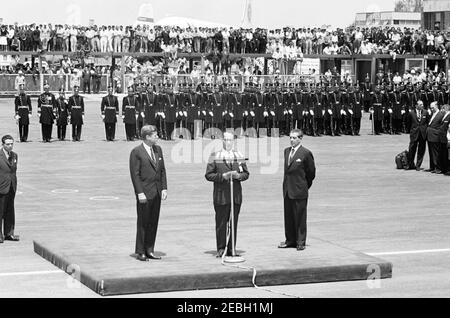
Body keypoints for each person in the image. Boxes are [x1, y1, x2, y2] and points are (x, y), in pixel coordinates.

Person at [205, 132, 250, 258]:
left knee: (233, 222)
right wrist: (222, 177)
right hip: (221, 196)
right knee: (221, 223)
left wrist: (238, 176)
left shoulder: (239, 155)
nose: (227, 142)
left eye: (230, 140)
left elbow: (246, 174)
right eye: (225, 139)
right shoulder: (214, 155)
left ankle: (232, 248)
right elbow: (208, 175)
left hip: (235, 195)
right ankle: (221, 248)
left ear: (233, 141)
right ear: (222, 141)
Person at [129, 125, 168, 261]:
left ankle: (150, 249)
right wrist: (139, 192)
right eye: (155, 135)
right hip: (145, 192)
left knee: (153, 222)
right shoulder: (137, 152)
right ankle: (140, 251)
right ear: (147, 137)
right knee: (143, 222)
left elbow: (162, 170)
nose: (157, 137)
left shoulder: (158, 150)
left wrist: (164, 188)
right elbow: (135, 175)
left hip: (156, 191)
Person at [279, 129, 316, 251]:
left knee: (300, 217)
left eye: (294, 138)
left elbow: (311, 173)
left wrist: (304, 185)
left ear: (300, 138)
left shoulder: (306, 153)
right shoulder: (286, 151)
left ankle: (300, 241)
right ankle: (290, 240)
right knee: (288, 216)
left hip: (299, 190)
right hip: (288, 190)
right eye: (290, 137)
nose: (291, 140)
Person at [0, 135, 20, 243]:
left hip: (11, 187)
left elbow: (13, 171)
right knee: (0, 211)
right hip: (1, 187)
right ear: (3, 144)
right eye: (8, 144)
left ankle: (9, 233)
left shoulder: (15, 155)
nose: (10, 146)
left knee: (10, 211)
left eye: (12, 144)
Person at [407, 100, 429, 171]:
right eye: (421, 104)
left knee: (421, 150)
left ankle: (418, 165)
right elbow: (408, 123)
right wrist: (411, 131)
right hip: (414, 133)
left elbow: (428, 122)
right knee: (412, 149)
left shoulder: (425, 112)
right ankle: (411, 164)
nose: (422, 106)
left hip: (422, 134)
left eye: (422, 104)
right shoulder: (411, 113)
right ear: (416, 105)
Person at [426, 102, 444, 173]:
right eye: (431, 107)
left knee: (436, 153)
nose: (431, 109)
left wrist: (437, 132)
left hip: (435, 136)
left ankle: (438, 167)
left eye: (433, 107)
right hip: (430, 135)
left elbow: (441, 126)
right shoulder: (432, 114)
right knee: (431, 152)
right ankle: (432, 167)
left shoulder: (440, 114)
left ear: (436, 106)